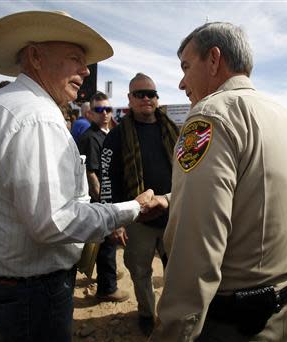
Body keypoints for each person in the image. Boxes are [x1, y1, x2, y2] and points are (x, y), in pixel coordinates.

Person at [0, 10, 154, 342]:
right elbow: (53, 221)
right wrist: (132, 208)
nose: (85, 71)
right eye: (75, 58)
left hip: (13, 284)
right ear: (36, 57)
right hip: (37, 291)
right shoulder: (37, 117)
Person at [148, 22, 287, 341]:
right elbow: (253, 192)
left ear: (214, 59)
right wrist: (171, 198)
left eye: (186, 66)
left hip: (235, 323)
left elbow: (196, 245)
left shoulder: (210, 115)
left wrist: (173, 332)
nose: (181, 82)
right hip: (283, 309)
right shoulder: (281, 114)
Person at [100, 73, 179, 335]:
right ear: (130, 99)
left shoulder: (173, 131)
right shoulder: (117, 135)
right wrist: (114, 221)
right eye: (140, 94)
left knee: (176, 271)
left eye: (152, 94)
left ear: (157, 99)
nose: (147, 98)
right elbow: (107, 179)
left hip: (172, 216)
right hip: (137, 221)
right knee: (141, 272)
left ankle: (171, 316)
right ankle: (146, 313)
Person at [78, 91, 129, 302]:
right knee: (107, 244)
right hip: (101, 200)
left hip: (108, 197)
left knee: (106, 244)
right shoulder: (91, 137)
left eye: (108, 109)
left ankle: (106, 275)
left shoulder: (105, 133)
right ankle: (107, 289)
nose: (105, 113)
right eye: (99, 110)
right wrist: (104, 204)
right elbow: (91, 173)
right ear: (90, 114)